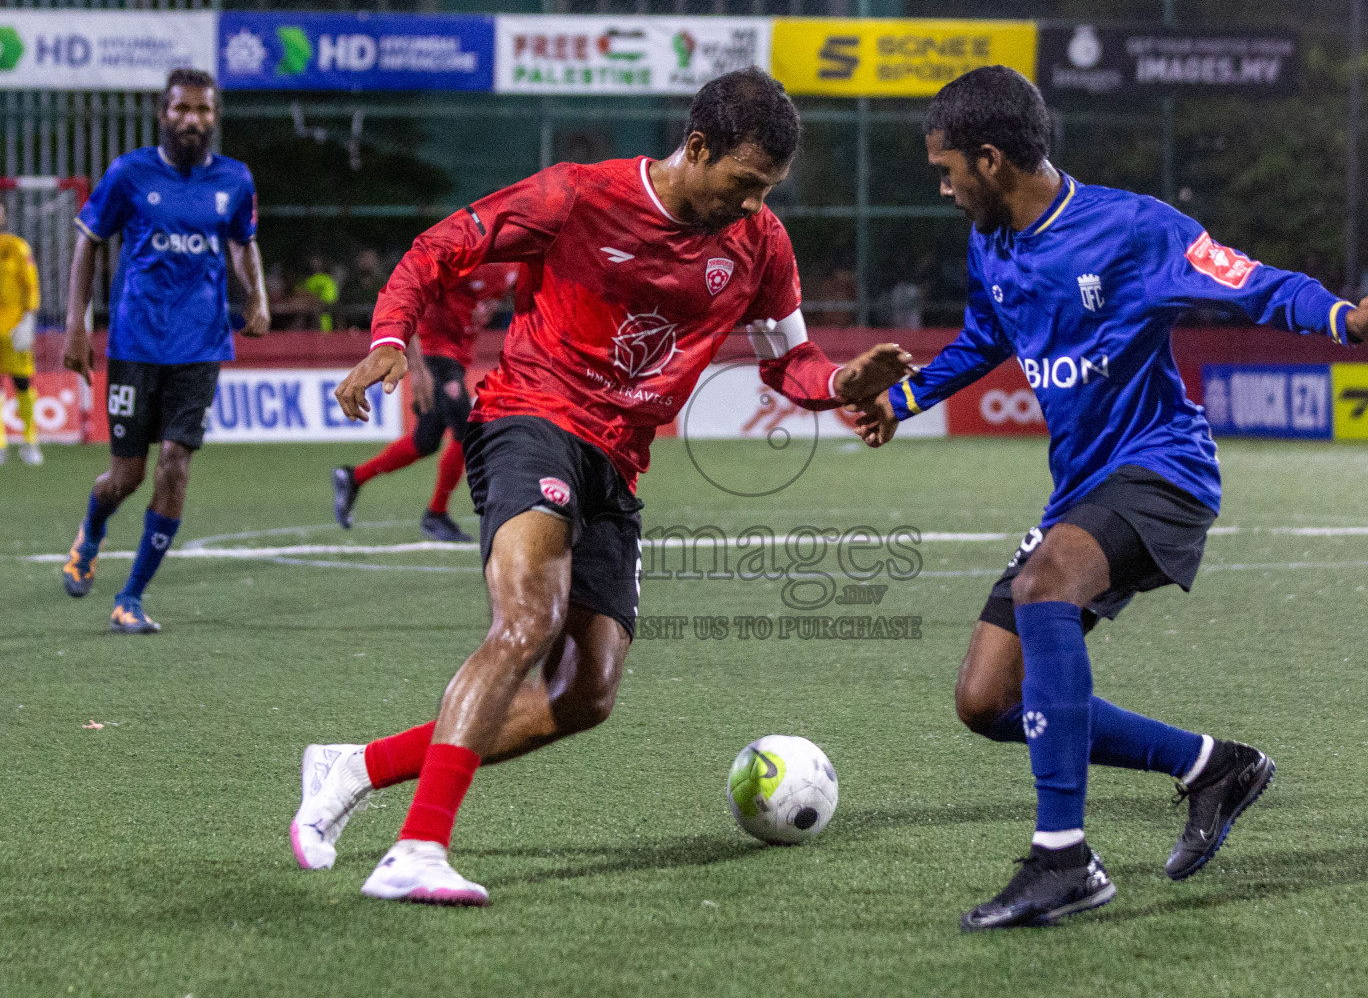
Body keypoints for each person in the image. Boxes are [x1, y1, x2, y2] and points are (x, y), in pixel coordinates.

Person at [289, 68, 913, 905]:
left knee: (586, 694)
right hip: (531, 416)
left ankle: (358, 765)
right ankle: (417, 848)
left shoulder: (760, 245)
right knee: (528, 620)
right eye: (744, 183)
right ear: (697, 148)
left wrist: (843, 385)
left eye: (767, 190)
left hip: (618, 460)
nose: (754, 205)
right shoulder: (578, 197)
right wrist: (390, 335)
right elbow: (443, 245)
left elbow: (789, 361)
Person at [848, 66, 1368, 930]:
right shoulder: (993, 241)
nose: (944, 185)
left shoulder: (1131, 228)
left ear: (992, 159)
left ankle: (1063, 860)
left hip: (1165, 471)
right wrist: (899, 402)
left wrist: (1348, 319)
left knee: (1046, 585)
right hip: (1084, 487)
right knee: (988, 699)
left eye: (947, 168)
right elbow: (984, 337)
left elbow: (1255, 282)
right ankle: (1211, 766)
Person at [59, 68, 269, 633]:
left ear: (214, 117)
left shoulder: (234, 179)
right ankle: (92, 532)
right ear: (163, 113)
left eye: (202, 110)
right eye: (181, 109)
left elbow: (244, 243)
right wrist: (77, 326)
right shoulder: (130, 173)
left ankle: (130, 596)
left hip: (199, 347)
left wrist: (259, 299)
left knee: (175, 467)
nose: (192, 119)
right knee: (124, 477)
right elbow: (88, 244)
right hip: (134, 345)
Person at [332, 262, 528, 542]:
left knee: (424, 441)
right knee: (468, 430)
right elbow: (403, 296)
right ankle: (436, 514)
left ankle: (352, 477)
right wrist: (419, 367)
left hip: (457, 358)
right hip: (434, 355)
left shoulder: (515, 264)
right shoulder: (464, 259)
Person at [0, 202, 42, 465]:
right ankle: (0, 445)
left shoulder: (17, 247)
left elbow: (31, 284)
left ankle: (30, 441)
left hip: (14, 327)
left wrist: (29, 317)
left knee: (22, 382)